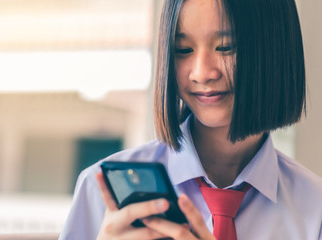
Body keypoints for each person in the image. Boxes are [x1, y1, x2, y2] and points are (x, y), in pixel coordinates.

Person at [59, 0, 322, 239]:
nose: (201, 73)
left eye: (225, 47)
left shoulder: (315, 207)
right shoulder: (100, 192)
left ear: (275, 51)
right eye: (183, 49)